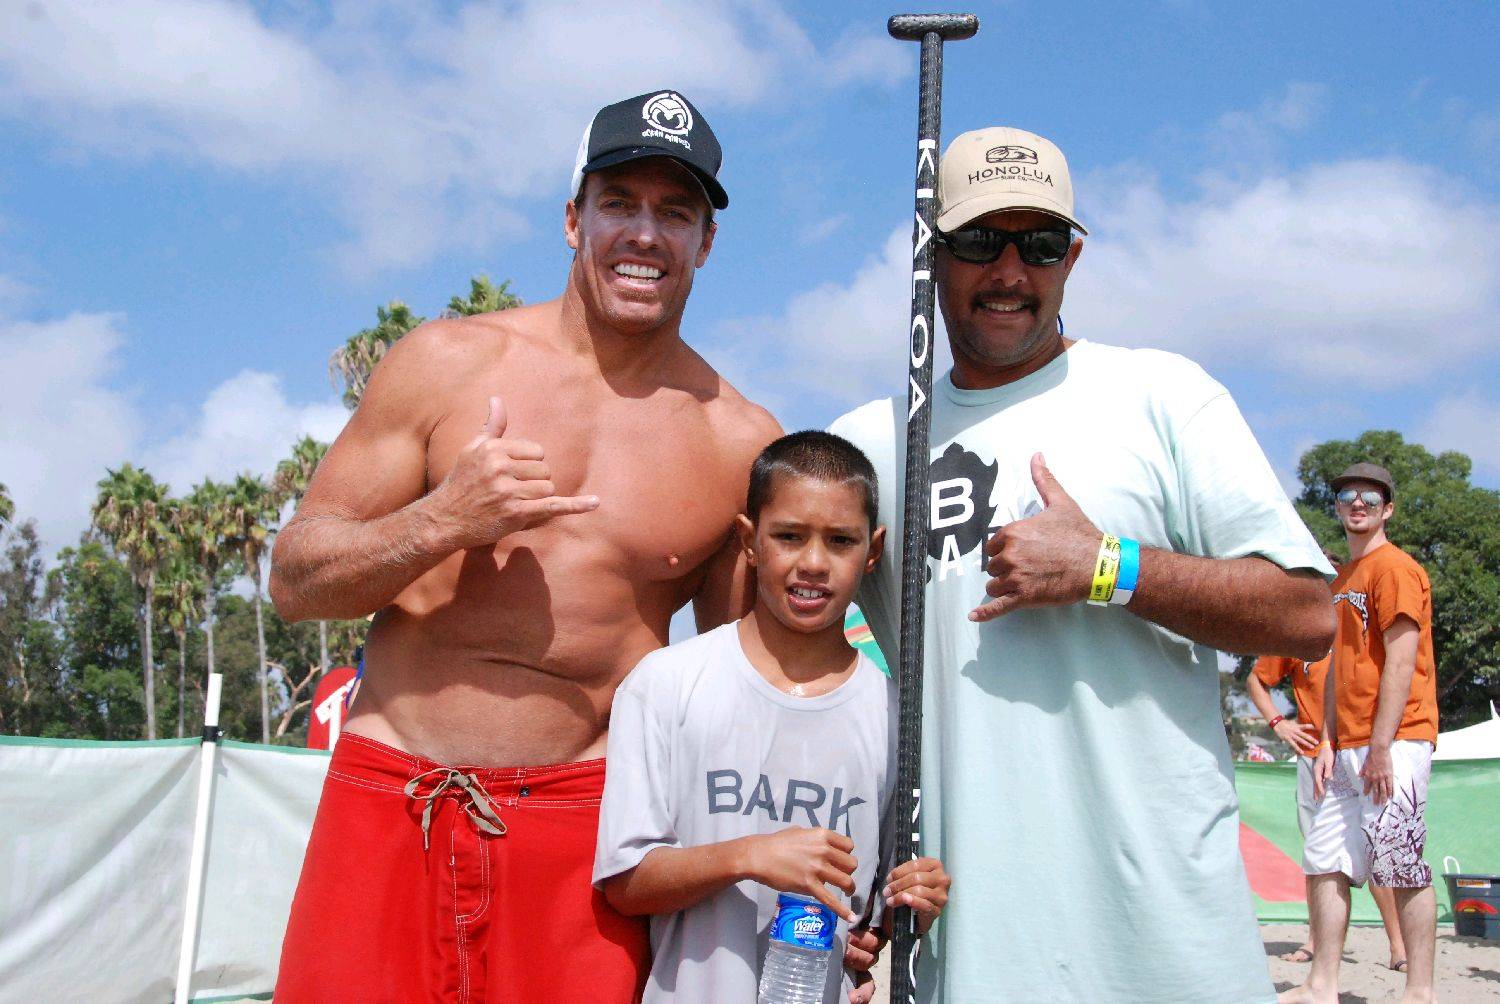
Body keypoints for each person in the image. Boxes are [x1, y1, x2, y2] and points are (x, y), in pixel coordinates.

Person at [268, 90, 781, 1002]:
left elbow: (737, 700)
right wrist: (445, 521)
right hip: (392, 802)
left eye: (676, 213)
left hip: (583, 836)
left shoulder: (736, 440)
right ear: (573, 217)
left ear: (706, 243)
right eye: (620, 203)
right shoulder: (447, 361)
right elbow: (296, 579)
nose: (645, 235)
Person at [828, 125, 1336, 1002]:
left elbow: (1308, 614)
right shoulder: (868, 450)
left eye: (1044, 242)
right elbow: (776, 650)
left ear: (1076, 255)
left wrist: (1111, 566)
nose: (1011, 272)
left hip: (1165, 945)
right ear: (930, 255)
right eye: (980, 241)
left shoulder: (1165, 395)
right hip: (971, 949)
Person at [593, 431, 951, 1003]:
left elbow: (877, 915)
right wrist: (749, 855)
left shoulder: (896, 716)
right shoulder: (665, 684)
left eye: (840, 541)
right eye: (789, 536)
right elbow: (624, 882)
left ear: (874, 550)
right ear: (749, 540)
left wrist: (913, 902)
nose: (813, 563)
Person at [1280, 463, 1438, 1004]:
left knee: (1401, 861)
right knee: (1324, 861)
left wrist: (1379, 746)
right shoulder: (1340, 580)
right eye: (1348, 495)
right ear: (1339, 507)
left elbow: (1400, 658)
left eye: (1371, 497)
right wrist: (1325, 740)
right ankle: (1321, 985)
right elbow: (1329, 667)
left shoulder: (1394, 569)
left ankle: (1420, 990)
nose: (1358, 503)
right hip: (1344, 745)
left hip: (1394, 741)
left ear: (1387, 509)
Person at [1248, 566, 1410, 973]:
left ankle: (1398, 945)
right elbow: (1256, 679)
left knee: (1376, 848)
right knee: (1320, 854)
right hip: (1313, 757)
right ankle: (1315, 940)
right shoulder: (1299, 632)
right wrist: (1277, 724)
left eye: (1328, 578)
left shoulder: (1360, 625)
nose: (1322, 585)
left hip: (1359, 748)